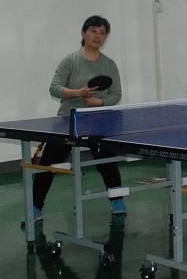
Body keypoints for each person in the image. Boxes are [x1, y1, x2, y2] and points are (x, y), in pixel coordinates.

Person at [21, 15, 127, 224]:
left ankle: (117, 200)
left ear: (106, 37)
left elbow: (116, 95)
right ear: (83, 33)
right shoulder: (70, 60)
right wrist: (77, 93)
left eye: (102, 32)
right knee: (48, 164)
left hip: (98, 120)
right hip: (70, 120)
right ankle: (35, 208)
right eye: (93, 31)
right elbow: (55, 88)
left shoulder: (109, 65)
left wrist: (99, 102)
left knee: (107, 162)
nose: (98, 36)